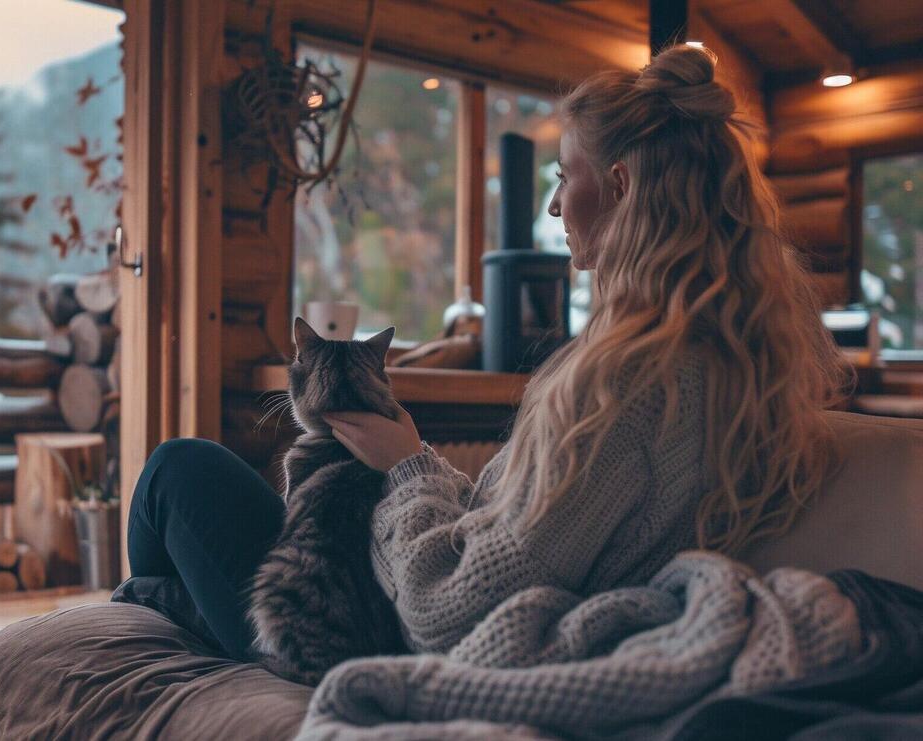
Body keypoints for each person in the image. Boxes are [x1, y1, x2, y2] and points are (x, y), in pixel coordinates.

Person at [122, 44, 851, 661]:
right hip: (386, 597)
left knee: (175, 471)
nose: (556, 205)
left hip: (375, 631)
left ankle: (151, 639)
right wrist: (415, 455)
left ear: (621, 186)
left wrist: (405, 468)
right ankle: (160, 615)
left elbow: (448, 608)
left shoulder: (629, 384)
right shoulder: (726, 361)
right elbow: (526, 538)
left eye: (565, 176)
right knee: (183, 505)